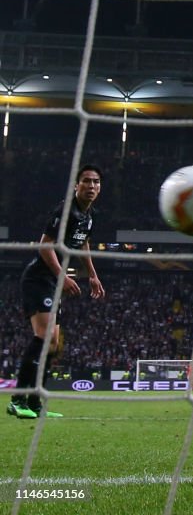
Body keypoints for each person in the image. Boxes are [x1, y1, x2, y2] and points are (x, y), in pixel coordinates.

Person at [8, 165, 106, 420]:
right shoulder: (66, 211)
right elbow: (44, 246)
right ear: (76, 185)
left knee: (52, 345)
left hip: (52, 281)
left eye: (96, 182)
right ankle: (17, 400)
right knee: (43, 337)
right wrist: (62, 276)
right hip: (39, 279)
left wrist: (92, 275)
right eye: (86, 181)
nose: (92, 186)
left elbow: (83, 243)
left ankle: (35, 402)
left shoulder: (88, 216)